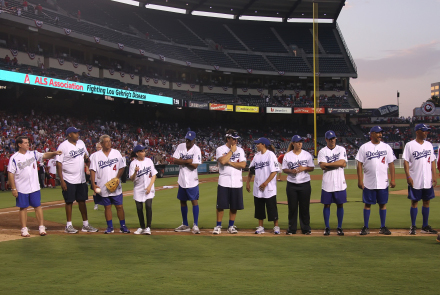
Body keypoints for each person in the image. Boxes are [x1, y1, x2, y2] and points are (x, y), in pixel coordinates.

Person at [7, 136, 61, 237]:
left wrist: (54, 153)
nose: (28, 144)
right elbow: (11, 173)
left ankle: (41, 227)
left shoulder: (33, 153)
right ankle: (24, 229)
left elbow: (45, 155)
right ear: (19, 145)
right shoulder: (14, 158)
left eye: (28, 142)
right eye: (26, 143)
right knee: (23, 208)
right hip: (21, 187)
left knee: (38, 206)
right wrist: (13, 188)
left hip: (34, 186)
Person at [56, 127, 98, 233]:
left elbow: (86, 157)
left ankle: (85, 224)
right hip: (68, 178)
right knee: (69, 201)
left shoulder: (81, 143)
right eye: (75, 133)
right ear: (69, 134)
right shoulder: (63, 146)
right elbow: (58, 163)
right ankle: (68, 225)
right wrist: (61, 180)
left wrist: (90, 166)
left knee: (82, 201)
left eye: (78, 132)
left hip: (81, 178)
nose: (77, 134)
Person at [356, 126, 396, 235]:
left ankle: (383, 227)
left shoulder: (386, 147)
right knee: (367, 204)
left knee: (382, 204)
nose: (380, 135)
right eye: (378, 133)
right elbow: (359, 164)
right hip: (369, 181)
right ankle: (366, 227)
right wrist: (360, 180)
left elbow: (391, 164)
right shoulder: (364, 147)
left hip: (383, 181)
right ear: (372, 134)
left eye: (381, 133)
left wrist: (393, 179)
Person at [90, 135, 129, 234]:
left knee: (119, 206)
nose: (109, 143)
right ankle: (110, 227)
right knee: (107, 207)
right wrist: (93, 185)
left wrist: (117, 178)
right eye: (106, 141)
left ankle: (123, 226)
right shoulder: (95, 155)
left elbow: (122, 167)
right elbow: (92, 171)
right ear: (101, 144)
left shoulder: (116, 153)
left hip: (115, 185)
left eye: (109, 141)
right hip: (102, 185)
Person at [403, 123, 437, 235]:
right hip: (415, 178)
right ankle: (413, 226)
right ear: (417, 132)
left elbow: (432, 160)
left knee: (427, 201)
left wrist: (434, 175)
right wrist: (408, 176)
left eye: (427, 130)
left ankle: (425, 226)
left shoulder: (429, 145)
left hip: (427, 178)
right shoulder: (410, 145)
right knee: (414, 202)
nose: (426, 132)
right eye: (424, 130)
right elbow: (406, 161)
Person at [213, 130, 246, 234]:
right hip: (224, 181)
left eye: (237, 139)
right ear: (228, 138)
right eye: (234, 139)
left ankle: (231, 226)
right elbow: (222, 161)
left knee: (234, 206)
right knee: (221, 205)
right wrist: (231, 151)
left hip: (237, 181)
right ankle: (218, 226)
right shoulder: (220, 149)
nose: (236, 141)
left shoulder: (240, 150)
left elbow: (243, 165)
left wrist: (230, 162)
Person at [246, 138, 280, 234]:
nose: (256, 145)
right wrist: (247, 183)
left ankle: (276, 227)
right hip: (258, 187)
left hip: (269, 188)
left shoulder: (270, 155)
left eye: (258, 144)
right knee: (259, 208)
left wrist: (266, 183)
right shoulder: (256, 156)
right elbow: (251, 170)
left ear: (263, 145)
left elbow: (274, 171)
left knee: (272, 208)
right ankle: (260, 227)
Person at [282, 135, 315, 235]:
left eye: (301, 141)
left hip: (305, 183)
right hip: (292, 184)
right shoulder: (287, 155)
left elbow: (312, 168)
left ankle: (305, 228)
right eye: (297, 142)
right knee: (292, 207)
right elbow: (284, 169)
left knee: (304, 207)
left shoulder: (307, 155)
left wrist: (304, 168)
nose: (300, 143)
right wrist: (291, 171)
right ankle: (292, 228)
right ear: (293, 143)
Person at [318, 130, 348, 236]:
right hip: (327, 183)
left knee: (340, 205)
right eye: (330, 139)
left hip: (340, 182)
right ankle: (327, 227)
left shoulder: (341, 149)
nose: (332, 141)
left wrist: (328, 164)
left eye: (334, 138)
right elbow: (322, 166)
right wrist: (337, 164)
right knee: (327, 205)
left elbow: (343, 163)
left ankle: (339, 227)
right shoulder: (322, 151)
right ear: (326, 140)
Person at [173, 131, 202, 234]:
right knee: (182, 201)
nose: (187, 142)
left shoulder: (197, 149)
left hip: (192, 180)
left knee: (194, 201)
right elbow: (174, 160)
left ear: (194, 140)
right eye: (186, 139)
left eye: (189, 140)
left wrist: (183, 161)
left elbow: (195, 165)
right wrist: (188, 161)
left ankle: (195, 225)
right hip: (182, 179)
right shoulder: (180, 146)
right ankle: (185, 224)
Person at [130, 145, 157, 235]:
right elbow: (132, 178)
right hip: (138, 188)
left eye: (144, 151)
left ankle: (148, 227)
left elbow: (154, 175)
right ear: (137, 153)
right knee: (139, 208)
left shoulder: (149, 161)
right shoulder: (133, 163)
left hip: (148, 187)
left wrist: (149, 186)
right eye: (141, 151)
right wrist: (135, 172)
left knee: (148, 206)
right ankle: (142, 227)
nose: (144, 152)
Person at [90, 142, 102, 210]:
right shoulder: (93, 155)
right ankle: (96, 204)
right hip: (96, 176)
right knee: (95, 190)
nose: (99, 149)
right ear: (96, 148)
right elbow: (90, 165)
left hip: (103, 176)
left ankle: (105, 204)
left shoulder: (105, 155)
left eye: (100, 147)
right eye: (98, 147)